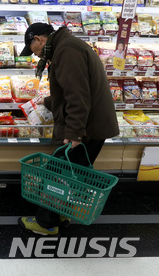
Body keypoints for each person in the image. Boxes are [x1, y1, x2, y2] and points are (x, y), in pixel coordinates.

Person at [18, 23, 119, 236]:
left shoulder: (66, 51)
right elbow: (73, 90)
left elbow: (78, 97)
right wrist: (46, 101)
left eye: (32, 49)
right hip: (92, 125)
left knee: (58, 174)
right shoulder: (66, 46)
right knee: (71, 175)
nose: (35, 56)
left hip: (87, 128)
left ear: (38, 39)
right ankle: (59, 214)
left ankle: (46, 223)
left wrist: (74, 133)